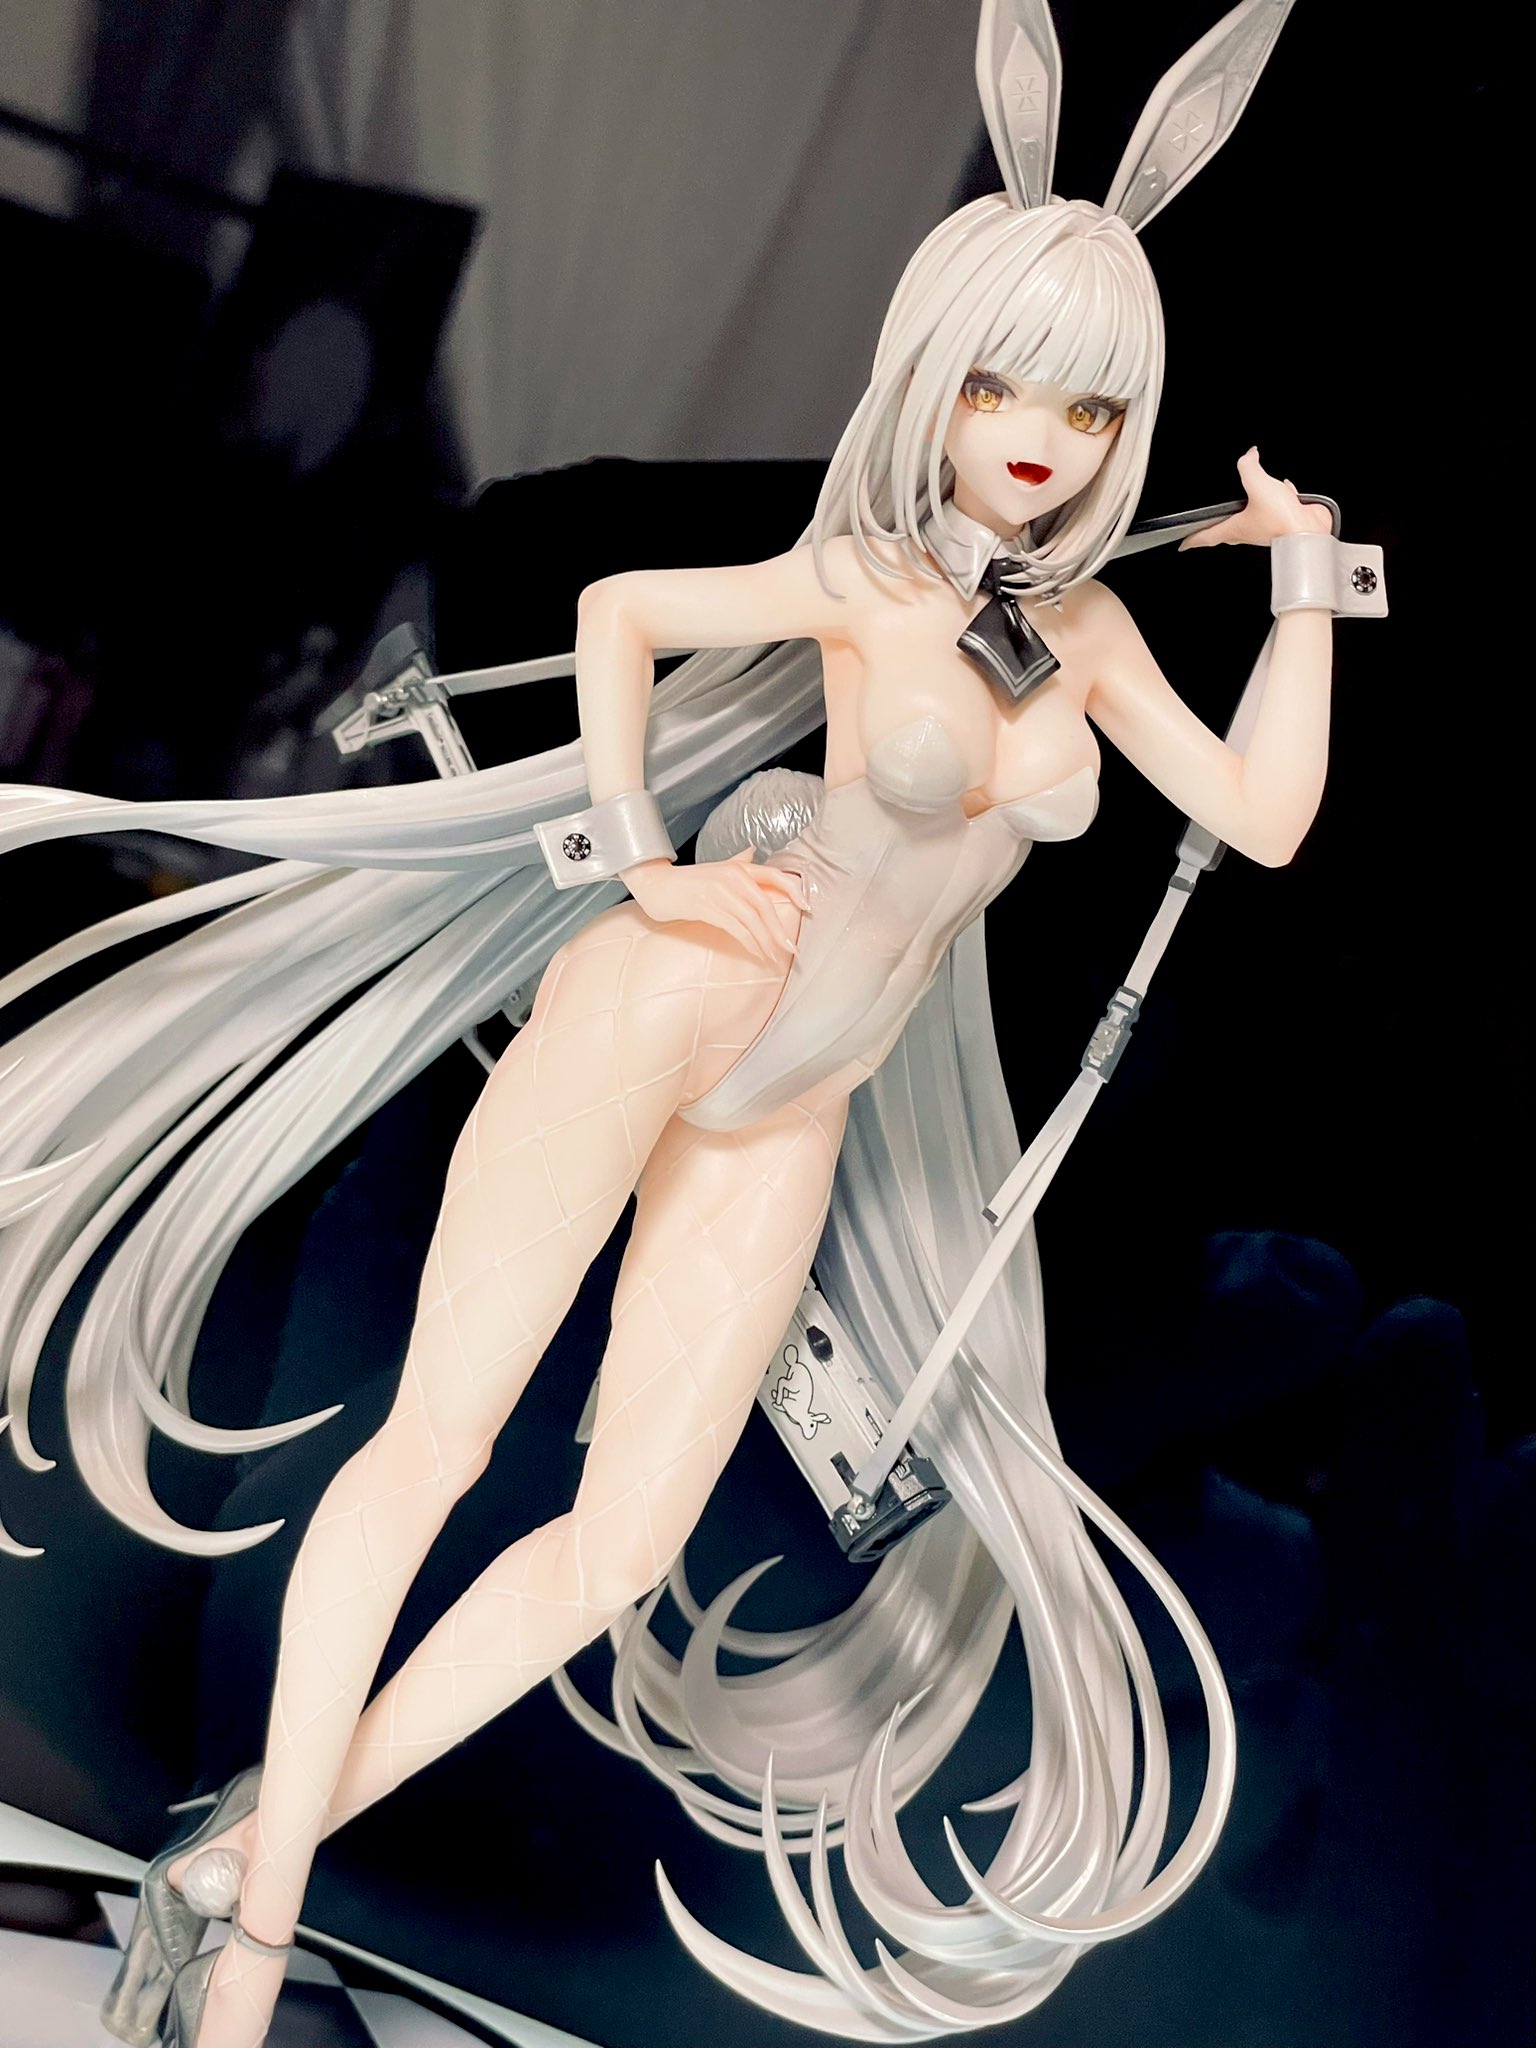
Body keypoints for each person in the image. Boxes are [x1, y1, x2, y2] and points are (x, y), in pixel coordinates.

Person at [0, 4, 1383, 2041]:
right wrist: (639, 859)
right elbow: (624, 612)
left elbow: (1258, 819)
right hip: (671, 998)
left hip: (799, 1102)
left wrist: (1307, 585)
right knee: (436, 1444)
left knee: (620, 1542)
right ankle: (252, 1949)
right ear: (932, 370)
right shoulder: (870, 576)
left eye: (1087, 405)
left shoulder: (1084, 630)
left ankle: (235, 1860)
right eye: (995, 381)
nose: (1037, 435)